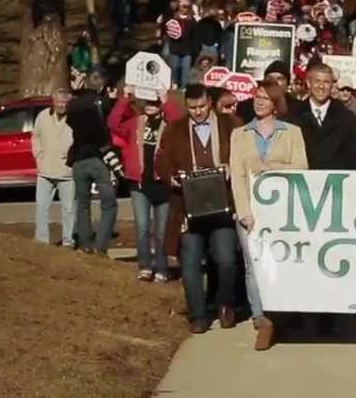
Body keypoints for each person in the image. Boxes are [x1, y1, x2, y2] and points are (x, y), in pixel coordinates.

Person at [156, 84, 242, 333]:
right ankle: (198, 315)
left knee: (226, 259)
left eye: (202, 106)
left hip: (223, 205)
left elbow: (244, 155)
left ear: (210, 102)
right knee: (190, 263)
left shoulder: (231, 125)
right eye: (193, 108)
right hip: (188, 207)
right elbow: (161, 161)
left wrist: (230, 167)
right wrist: (172, 177)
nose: (198, 112)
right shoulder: (175, 130)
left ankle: (225, 304)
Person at [231, 80, 309, 351]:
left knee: (283, 260)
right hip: (251, 210)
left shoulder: (292, 132)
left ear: (276, 103)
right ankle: (261, 318)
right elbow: (237, 176)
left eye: (265, 98)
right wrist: (244, 212)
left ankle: (284, 312)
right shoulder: (240, 134)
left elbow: (301, 167)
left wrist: (271, 167)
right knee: (253, 265)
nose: (259, 101)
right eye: (257, 96)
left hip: (282, 212)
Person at [108, 88, 174, 282]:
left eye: (155, 103)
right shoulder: (134, 124)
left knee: (162, 231)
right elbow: (113, 123)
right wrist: (125, 98)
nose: (151, 106)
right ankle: (145, 267)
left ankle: (161, 268)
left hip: (162, 184)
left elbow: (180, 121)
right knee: (143, 228)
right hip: (139, 184)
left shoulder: (168, 125)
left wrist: (166, 100)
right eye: (148, 103)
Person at [65, 71, 119, 257]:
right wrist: (111, 100)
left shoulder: (73, 105)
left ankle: (85, 243)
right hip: (98, 158)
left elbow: (70, 121)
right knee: (109, 203)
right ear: (102, 87)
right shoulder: (101, 103)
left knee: (82, 203)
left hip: (78, 159)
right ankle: (101, 245)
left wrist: (75, 92)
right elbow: (111, 122)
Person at [289, 63, 356, 170]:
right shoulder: (292, 115)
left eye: (326, 82)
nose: (321, 86)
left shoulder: (348, 119)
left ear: (332, 86)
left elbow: (352, 158)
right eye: (317, 81)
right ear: (308, 83)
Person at [32, 88, 76, 247]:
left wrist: (71, 156)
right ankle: (41, 240)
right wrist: (39, 156)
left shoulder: (74, 118)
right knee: (41, 207)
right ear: (53, 101)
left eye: (64, 103)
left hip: (66, 173)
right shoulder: (43, 116)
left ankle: (68, 241)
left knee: (69, 209)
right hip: (45, 171)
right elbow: (35, 137)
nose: (61, 105)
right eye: (58, 102)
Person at [164, 0, 200, 88]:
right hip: (175, 48)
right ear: (179, 6)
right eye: (184, 6)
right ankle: (175, 82)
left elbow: (195, 35)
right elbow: (166, 30)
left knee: (185, 69)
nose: (185, 8)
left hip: (187, 49)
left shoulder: (192, 20)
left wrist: (195, 49)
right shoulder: (172, 18)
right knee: (175, 67)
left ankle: (183, 86)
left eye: (188, 6)